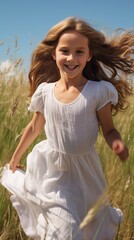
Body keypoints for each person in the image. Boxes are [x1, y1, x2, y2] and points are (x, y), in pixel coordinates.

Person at [0, 16, 134, 240]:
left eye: (79, 51)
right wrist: (15, 158)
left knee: (89, 228)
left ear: (89, 55)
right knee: (65, 232)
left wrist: (116, 143)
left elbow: (109, 130)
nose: (71, 58)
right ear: (54, 54)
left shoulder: (98, 91)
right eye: (65, 51)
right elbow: (34, 127)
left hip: (85, 170)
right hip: (52, 170)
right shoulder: (45, 91)